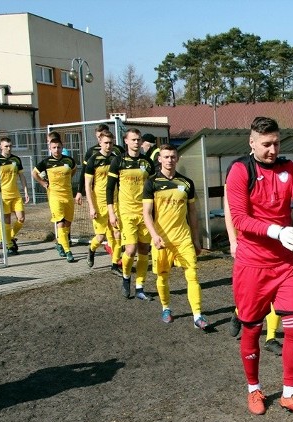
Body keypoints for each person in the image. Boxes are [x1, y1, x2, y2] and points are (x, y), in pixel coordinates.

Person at [225, 116, 293, 419]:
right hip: (251, 264)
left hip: (284, 264)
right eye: (266, 144)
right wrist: (277, 231)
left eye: (277, 143)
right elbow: (240, 218)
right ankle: (254, 388)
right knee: (252, 329)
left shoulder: (289, 168)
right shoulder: (240, 171)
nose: (273, 149)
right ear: (252, 142)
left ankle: (289, 393)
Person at [142, 144, 210, 329]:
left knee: (193, 275)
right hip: (161, 240)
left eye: (173, 156)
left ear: (177, 158)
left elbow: (193, 213)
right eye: (166, 157)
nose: (170, 160)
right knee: (162, 277)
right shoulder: (151, 183)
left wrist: (196, 239)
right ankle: (166, 308)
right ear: (160, 159)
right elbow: (146, 213)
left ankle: (197, 316)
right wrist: (154, 236)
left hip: (183, 239)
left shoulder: (186, 183)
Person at [224, 190, 283, 355]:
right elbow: (229, 211)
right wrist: (233, 241)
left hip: (272, 242)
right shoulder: (238, 171)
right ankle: (238, 313)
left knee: (274, 294)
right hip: (249, 245)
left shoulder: (273, 172)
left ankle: (270, 338)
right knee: (252, 294)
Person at [106, 128, 156, 300]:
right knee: (130, 249)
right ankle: (126, 277)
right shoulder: (118, 161)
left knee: (144, 249)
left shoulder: (147, 162)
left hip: (144, 212)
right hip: (126, 212)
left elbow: (154, 188)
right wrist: (111, 212)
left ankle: (140, 287)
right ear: (126, 141)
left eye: (138, 139)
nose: (136, 142)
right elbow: (110, 188)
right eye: (133, 139)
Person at [32, 136, 80, 263]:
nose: (56, 150)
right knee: (60, 222)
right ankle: (67, 250)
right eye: (54, 148)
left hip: (68, 195)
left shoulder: (69, 161)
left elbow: (74, 170)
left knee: (68, 223)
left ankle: (60, 244)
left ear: (62, 147)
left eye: (58, 147)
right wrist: (43, 183)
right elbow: (34, 173)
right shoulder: (46, 162)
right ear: (50, 149)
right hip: (54, 196)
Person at [84, 130, 121, 269]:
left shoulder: (116, 159)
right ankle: (91, 250)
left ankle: (115, 264)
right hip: (99, 203)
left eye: (111, 143)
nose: (109, 146)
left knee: (117, 232)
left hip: (115, 201)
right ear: (100, 143)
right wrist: (92, 207)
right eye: (106, 143)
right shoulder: (93, 160)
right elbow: (88, 185)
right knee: (100, 237)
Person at [0, 136, 30, 255]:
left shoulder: (16, 159)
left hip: (16, 194)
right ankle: (10, 245)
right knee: (6, 221)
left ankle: (9, 237)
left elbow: (21, 176)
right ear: (1, 146)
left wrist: (26, 191)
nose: (9, 148)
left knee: (21, 218)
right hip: (3, 195)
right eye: (6, 146)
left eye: (10, 146)